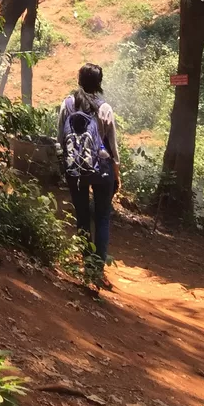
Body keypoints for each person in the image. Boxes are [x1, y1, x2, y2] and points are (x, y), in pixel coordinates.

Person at [57, 63, 121, 284]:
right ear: (99, 83)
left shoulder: (67, 105)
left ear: (79, 80)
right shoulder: (105, 108)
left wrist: (66, 165)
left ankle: (87, 265)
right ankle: (97, 271)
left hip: (74, 169)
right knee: (102, 217)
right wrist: (116, 172)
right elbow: (112, 147)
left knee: (82, 217)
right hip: (102, 170)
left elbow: (60, 140)